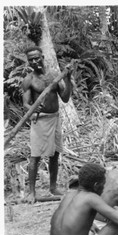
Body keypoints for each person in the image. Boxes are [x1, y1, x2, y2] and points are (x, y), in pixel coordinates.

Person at [22, 46, 73, 204]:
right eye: (31, 60)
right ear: (28, 62)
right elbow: (25, 104)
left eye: (37, 58)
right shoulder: (29, 79)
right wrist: (32, 108)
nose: (35, 61)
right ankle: (31, 192)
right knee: (35, 156)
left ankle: (52, 187)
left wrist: (68, 79)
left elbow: (64, 98)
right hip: (40, 120)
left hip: (55, 118)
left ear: (42, 57)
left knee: (55, 154)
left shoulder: (53, 76)